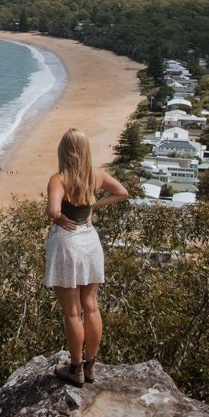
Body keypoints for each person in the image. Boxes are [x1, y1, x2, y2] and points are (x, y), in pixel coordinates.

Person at [45, 127, 128, 387]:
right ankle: (91, 365)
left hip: (67, 245)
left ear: (64, 152)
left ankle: (76, 368)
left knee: (72, 312)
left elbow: (52, 210)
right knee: (91, 305)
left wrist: (60, 217)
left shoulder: (59, 179)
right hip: (90, 242)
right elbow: (122, 192)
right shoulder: (97, 175)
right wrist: (93, 206)